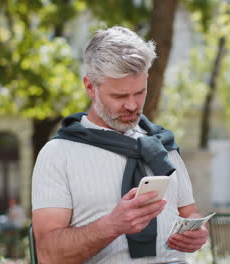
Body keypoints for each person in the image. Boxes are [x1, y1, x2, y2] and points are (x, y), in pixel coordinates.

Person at [32, 26, 208, 264]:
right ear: (90, 87)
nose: (133, 105)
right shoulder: (58, 154)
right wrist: (111, 225)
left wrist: (197, 233)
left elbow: (189, 211)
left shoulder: (162, 144)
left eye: (140, 92)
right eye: (119, 96)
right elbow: (48, 254)